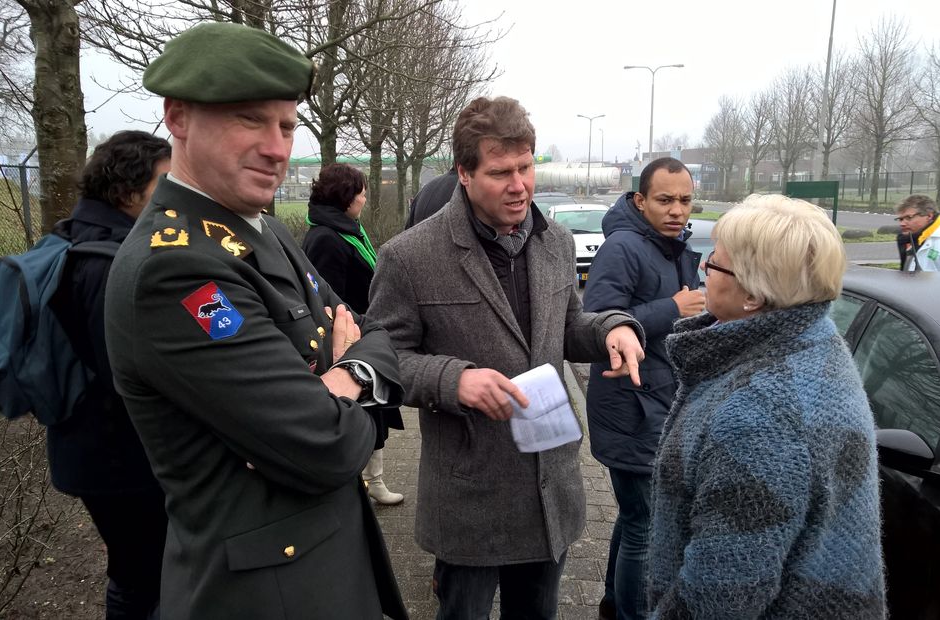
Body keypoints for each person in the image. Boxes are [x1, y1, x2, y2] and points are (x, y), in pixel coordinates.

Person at [103, 22, 407, 620]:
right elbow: (329, 445)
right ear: (179, 117)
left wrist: (341, 380)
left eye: (287, 125)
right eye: (250, 119)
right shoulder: (175, 271)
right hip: (266, 594)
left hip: (323, 565)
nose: (278, 147)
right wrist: (350, 377)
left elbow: (372, 330)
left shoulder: (257, 228)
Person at [367, 96, 647, 620]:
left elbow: (567, 327)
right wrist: (454, 381)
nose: (519, 185)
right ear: (464, 174)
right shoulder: (409, 256)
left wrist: (614, 328)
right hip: (471, 491)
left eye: (525, 167)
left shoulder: (555, 242)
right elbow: (383, 359)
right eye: (500, 172)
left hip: (550, 488)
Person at [647, 194, 886, 618]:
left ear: (754, 296)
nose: (703, 267)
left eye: (715, 263)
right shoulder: (814, 338)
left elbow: (721, 597)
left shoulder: (761, 414)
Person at [48, 130, 171, 619]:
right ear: (126, 190)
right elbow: (126, 376)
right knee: (144, 578)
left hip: (92, 449)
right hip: (119, 460)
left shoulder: (73, 236)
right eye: (164, 184)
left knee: (136, 572)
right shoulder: (107, 263)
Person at [582, 157, 704, 620]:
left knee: (634, 518)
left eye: (685, 200)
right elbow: (596, 319)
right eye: (665, 200)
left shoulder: (673, 247)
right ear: (640, 200)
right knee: (646, 527)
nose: (677, 210)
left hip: (658, 400)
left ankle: (614, 605)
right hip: (630, 406)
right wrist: (673, 306)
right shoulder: (624, 248)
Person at [301, 163, 405, 505]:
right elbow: (328, 297)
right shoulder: (326, 238)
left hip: (366, 333)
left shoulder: (348, 231)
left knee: (375, 411)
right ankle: (361, 483)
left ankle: (373, 481)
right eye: (360, 191)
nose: (364, 197)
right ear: (346, 197)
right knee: (363, 412)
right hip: (349, 343)